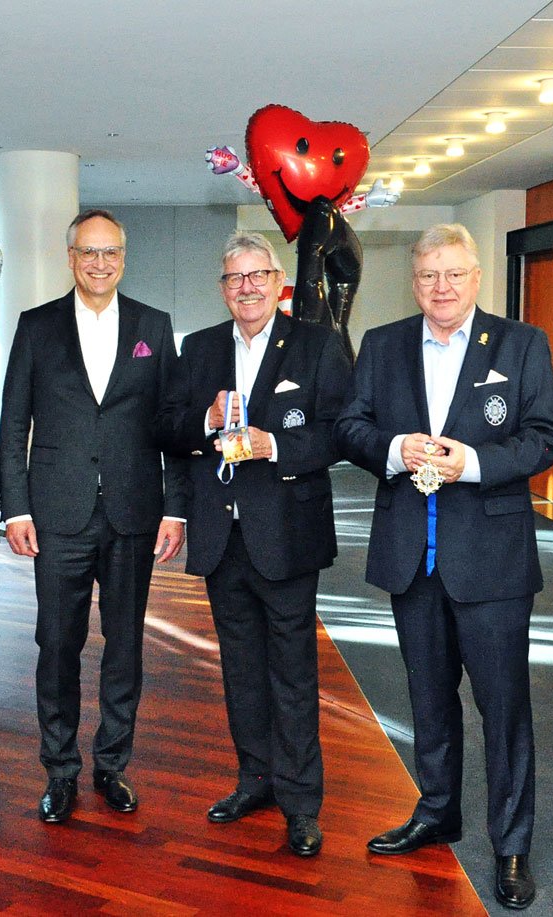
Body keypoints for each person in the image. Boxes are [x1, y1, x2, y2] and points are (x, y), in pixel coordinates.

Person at [335, 223, 553, 909]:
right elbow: (351, 426)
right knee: (428, 702)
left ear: (476, 278)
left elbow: (547, 435)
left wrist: (473, 463)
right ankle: (438, 811)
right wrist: (396, 446)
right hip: (413, 559)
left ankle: (512, 843)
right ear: (414, 281)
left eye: (454, 274)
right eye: (429, 274)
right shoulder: (383, 345)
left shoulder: (521, 344)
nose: (441, 287)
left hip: (491, 562)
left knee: (503, 710)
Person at [158, 231, 351, 856]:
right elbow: (171, 431)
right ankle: (255, 780)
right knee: (240, 669)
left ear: (277, 283)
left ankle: (301, 802)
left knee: (292, 672)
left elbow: (342, 433)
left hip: (286, 534)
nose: (247, 287)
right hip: (221, 536)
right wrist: (206, 423)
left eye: (258, 276)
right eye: (235, 278)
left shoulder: (318, 345)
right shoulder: (199, 347)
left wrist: (278, 447)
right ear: (223, 288)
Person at [0, 208, 188, 823]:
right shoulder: (36, 327)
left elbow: (176, 428)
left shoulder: (154, 327)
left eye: (111, 253)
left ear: (123, 258)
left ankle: (112, 764)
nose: (100, 263)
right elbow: (11, 428)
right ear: (71, 257)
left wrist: (177, 509)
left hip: (135, 510)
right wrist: (15, 508)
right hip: (57, 512)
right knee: (56, 643)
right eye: (88, 253)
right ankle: (60, 771)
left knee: (125, 646)